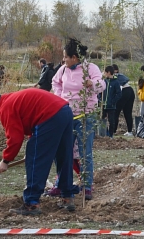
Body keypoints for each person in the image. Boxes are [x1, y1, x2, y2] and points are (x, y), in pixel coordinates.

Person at [0, 89, 76, 216]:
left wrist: (5, 160)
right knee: (63, 155)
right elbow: (32, 119)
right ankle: (67, 197)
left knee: (35, 159)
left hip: (50, 115)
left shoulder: (5, 107)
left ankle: (31, 203)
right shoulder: (13, 99)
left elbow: (15, 139)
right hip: (64, 111)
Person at [50, 38, 104, 200]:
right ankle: (61, 184)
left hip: (86, 116)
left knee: (84, 152)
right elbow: (55, 83)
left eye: (66, 57)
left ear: (75, 57)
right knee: (63, 151)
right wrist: (60, 99)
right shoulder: (63, 70)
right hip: (67, 115)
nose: (64, 60)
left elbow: (102, 85)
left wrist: (92, 84)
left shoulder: (91, 69)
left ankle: (87, 186)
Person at [111, 64, 136, 136]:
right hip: (130, 90)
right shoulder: (121, 75)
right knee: (128, 112)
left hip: (124, 91)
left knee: (116, 111)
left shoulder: (114, 76)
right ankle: (130, 131)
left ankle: (113, 131)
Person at [101, 66, 122, 138]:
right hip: (103, 105)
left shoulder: (116, 82)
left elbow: (119, 93)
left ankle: (110, 134)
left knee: (111, 120)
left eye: (105, 72)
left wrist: (113, 101)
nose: (104, 73)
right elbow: (99, 91)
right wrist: (100, 99)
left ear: (109, 73)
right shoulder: (104, 81)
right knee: (102, 119)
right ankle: (104, 133)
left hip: (111, 106)